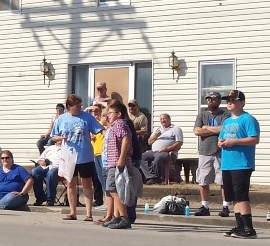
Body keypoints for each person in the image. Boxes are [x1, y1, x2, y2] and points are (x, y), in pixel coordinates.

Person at [50, 94, 104, 222]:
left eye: (80, 105)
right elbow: (53, 137)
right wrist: (60, 138)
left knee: (87, 183)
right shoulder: (61, 119)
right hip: (68, 156)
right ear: (69, 107)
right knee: (70, 184)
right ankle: (73, 212)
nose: (79, 108)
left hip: (85, 155)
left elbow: (98, 129)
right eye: (77, 106)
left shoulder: (87, 117)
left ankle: (89, 213)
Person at [218, 89, 260, 239]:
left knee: (241, 196)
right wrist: (221, 143)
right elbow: (221, 138)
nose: (230, 103)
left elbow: (254, 139)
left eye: (233, 100)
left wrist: (234, 142)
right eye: (228, 101)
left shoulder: (247, 119)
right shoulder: (227, 121)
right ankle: (240, 226)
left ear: (242, 102)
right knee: (233, 197)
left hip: (241, 163)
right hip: (227, 164)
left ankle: (249, 228)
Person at [193, 91, 230, 217]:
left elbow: (224, 129)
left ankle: (225, 206)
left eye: (213, 99)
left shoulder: (225, 115)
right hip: (205, 152)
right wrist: (214, 130)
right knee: (203, 180)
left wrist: (206, 127)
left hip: (221, 152)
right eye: (208, 99)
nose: (210, 101)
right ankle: (204, 206)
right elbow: (197, 131)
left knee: (223, 181)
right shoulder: (201, 115)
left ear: (219, 101)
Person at [100, 100, 134, 229]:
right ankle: (116, 217)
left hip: (117, 162)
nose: (108, 115)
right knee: (113, 189)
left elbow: (125, 139)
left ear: (119, 114)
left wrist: (121, 158)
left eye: (111, 113)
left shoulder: (119, 123)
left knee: (114, 189)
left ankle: (124, 217)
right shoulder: (114, 125)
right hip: (112, 162)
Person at [141, 114, 184, 183]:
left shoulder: (176, 129)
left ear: (169, 119)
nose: (162, 120)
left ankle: (156, 177)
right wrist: (155, 136)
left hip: (168, 152)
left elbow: (179, 143)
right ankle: (152, 177)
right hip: (154, 152)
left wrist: (167, 148)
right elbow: (149, 142)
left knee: (159, 158)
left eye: (164, 118)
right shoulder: (158, 129)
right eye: (161, 119)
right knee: (141, 157)